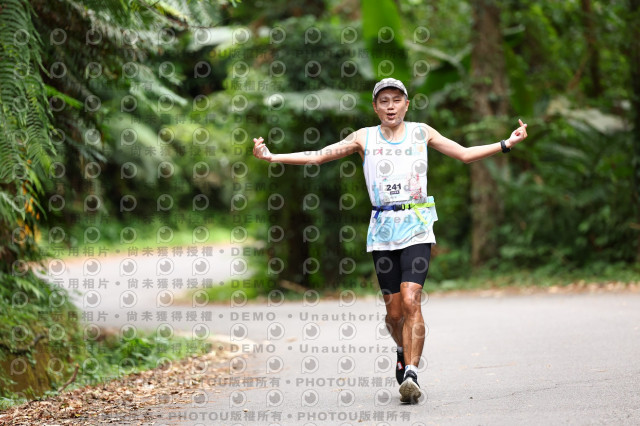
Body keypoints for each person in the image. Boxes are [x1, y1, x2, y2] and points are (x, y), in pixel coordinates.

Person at [252, 78, 528, 404]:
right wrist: (272, 157)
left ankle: (411, 373)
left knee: (412, 299)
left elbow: (465, 154)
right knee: (394, 314)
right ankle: (401, 350)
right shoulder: (364, 137)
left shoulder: (421, 132)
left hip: (417, 225)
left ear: (406, 105)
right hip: (382, 230)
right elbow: (319, 156)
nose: (391, 106)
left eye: (397, 100)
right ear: (375, 107)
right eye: (384, 101)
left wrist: (506, 143)